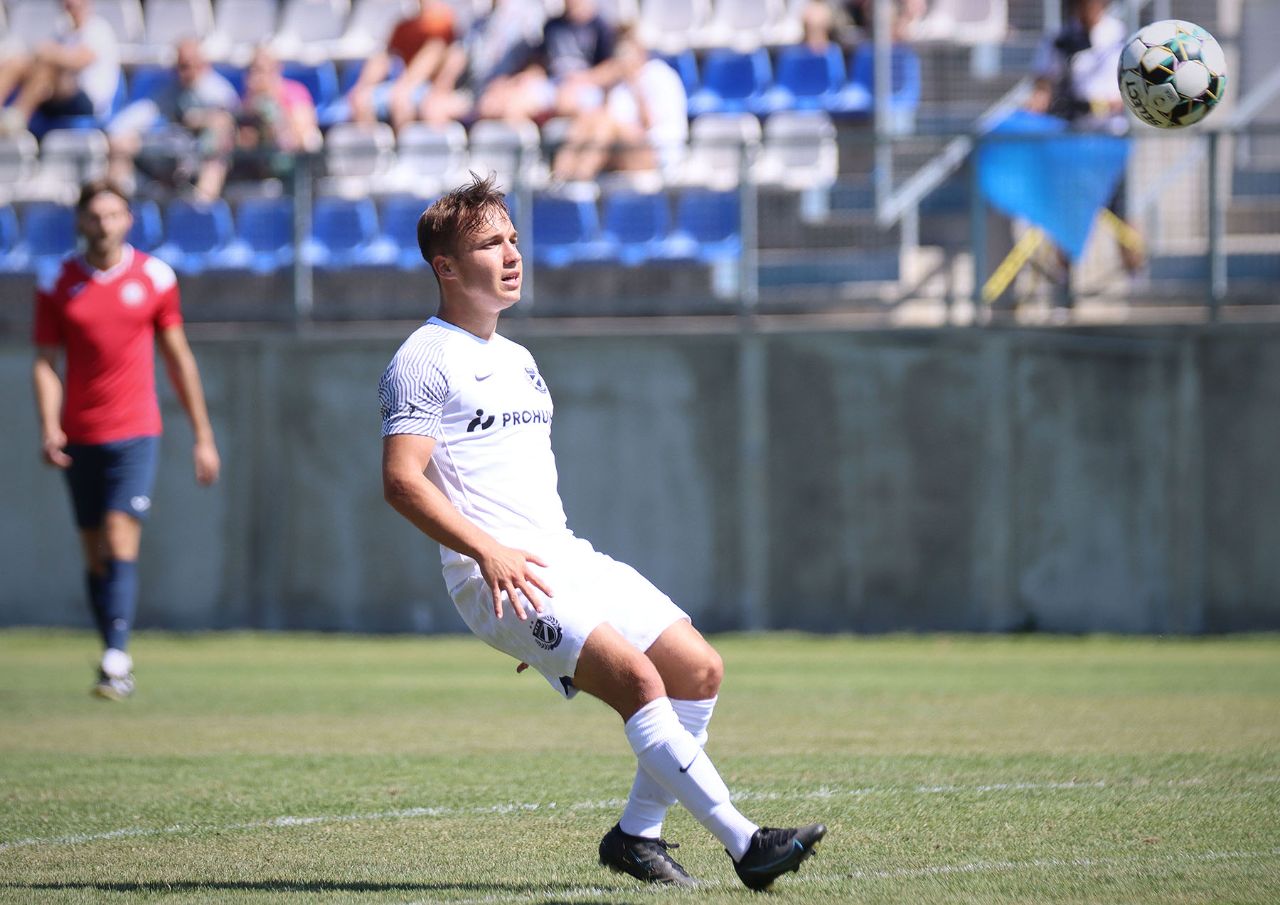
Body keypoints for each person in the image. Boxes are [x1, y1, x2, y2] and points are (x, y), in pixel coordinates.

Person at [378, 174, 826, 889]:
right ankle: (748, 845)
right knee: (640, 681)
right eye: (490, 244)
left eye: (513, 239)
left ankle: (635, 836)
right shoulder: (422, 358)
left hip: (560, 559)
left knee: (698, 669)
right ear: (447, 267)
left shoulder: (518, 358)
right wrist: (491, 560)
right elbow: (402, 480)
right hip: (498, 575)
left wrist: (551, 628)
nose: (512, 254)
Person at [32, 179, 221, 700]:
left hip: (135, 432)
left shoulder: (154, 277)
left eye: (113, 215)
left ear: (128, 220)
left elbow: (178, 358)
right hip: (79, 434)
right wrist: (49, 425)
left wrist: (203, 436)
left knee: (119, 535)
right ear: (80, 222)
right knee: (94, 552)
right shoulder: (56, 280)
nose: (104, 225)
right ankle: (112, 651)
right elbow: (45, 362)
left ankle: (116, 657)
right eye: (95, 216)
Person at [1026, 0, 1143, 279]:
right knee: (1067, 219)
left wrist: (1097, 105)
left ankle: (1138, 276)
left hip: (1109, 147)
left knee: (1122, 215)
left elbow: (1132, 91)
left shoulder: (1121, 38)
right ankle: (1064, 287)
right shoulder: (1059, 40)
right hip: (1072, 147)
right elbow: (1041, 88)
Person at [106, 39, 238, 201]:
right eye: (182, 66)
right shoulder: (171, 90)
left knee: (216, 157)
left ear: (205, 65)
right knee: (122, 144)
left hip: (203, 155)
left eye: (193, 65)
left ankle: (201, 208)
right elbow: (140, 113)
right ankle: (116, 203)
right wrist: (120, 133)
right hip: (170, 150)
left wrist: (201, 119)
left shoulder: (218, 91)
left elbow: (228, 124)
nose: (187, 72)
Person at [551, 27, 687, 183]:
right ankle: (559, 177)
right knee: (588, 116)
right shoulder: (619, 85)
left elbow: (648, 122)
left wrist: (634, 84)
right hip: (622, 148)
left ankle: (580, 178)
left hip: (658, 153)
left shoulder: (659, 74)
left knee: (607, 121)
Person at [0, 0, 120, 134]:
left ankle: (18, 117)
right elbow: (44, 55)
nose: (71, 9)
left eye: (74, 5)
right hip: (59, 95)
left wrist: (49, 53)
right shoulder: (63, 31)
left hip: (89, 101)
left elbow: (80, 60)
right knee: (17, 63)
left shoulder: (97, 28)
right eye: (67, 5)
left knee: (47, 69)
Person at [344, 0, 464, 132]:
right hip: (401, 85)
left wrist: (407, 86)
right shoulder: (403, 26)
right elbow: (384, 57)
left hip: (426, 87)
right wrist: (363, 86)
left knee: (400, 101)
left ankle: (405, 142)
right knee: (361, 100)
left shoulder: (442, 21)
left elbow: (439, 54)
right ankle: (372, 142)